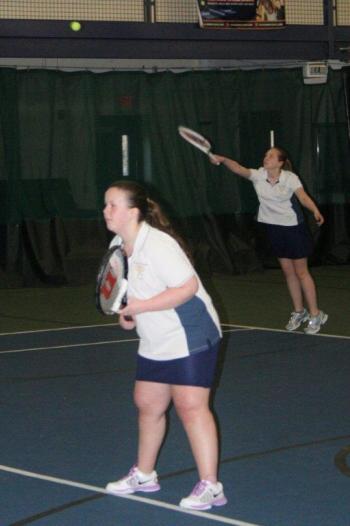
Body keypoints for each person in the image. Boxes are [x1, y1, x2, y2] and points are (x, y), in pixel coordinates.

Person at [103, 180, 227, 511]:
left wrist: (140, 308)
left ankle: (211, 485)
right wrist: (126, 314)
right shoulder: (119, 245)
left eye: (112, 205)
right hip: (155, 336)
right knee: (147, 403)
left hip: (190, 331)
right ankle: (144, 474)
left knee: (190, 406)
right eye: (106, 205)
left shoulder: (159, 245)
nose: (106, 211)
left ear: (133, 212)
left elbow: (187, 288)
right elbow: (127, 291)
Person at [210, 147, 328, 335]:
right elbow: (238, 168)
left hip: (293, 229)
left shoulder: (290, 178)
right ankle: (299, 311)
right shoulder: (258, 175)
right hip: (274, 229)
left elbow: (303, 197)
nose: (266, 158)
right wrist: (223, 159)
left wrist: (315, 210)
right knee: (288, 273)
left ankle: (316, 314)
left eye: (271, 156)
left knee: (301, 272)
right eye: (265, 155)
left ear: (280, 162)